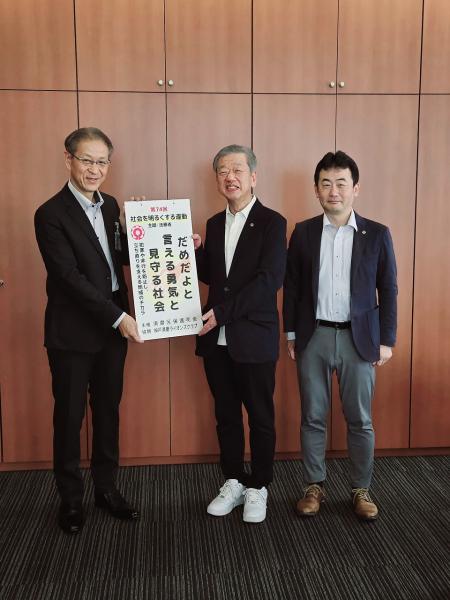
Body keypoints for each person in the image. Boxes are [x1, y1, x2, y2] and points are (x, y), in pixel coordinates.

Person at [34, 127, 143, 534]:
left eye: (102, 162)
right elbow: (69, 278)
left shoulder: (111, 205)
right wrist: (119, 318)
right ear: (69, 160)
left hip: (113, 330)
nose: (94, 169)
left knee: (108, 410)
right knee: (69, 416)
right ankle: (70, 500)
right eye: (87, 160)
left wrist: (150, 232)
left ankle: (106, 489)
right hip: (74, 332)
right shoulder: (50, 214)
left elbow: (119, 257)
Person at [283, 151, 397, 521]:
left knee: (360, 419)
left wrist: (387, 340)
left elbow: (388, 289)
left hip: (359, 340)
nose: (334, 191)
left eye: (341, 183)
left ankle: (361, 489)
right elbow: (293, 286)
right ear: (316, 190)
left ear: (355, 189)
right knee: (313, 415)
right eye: (326, 184)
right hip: (313, 335)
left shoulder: (376, 234)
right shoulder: (303, 232)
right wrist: (291, 333)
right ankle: (313, 486)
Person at [193, 144, 287, 523]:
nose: (229, 177)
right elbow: (213, 277)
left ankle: (259, 486)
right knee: (226, 415)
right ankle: (232, 481)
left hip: (254, 337)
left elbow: (269, 281)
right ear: (217, 179)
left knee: (260, 416)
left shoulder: (272, 222)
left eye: (237, 170)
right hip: (216, 341)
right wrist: (193, 252)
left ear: (253, 177)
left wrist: (222, 313)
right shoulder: (214, 223)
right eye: (222, 171)